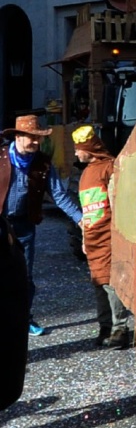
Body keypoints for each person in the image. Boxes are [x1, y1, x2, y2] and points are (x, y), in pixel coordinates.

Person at [0, 114, 83, 336]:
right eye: (31, 138)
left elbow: (59, 195)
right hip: (0, 224)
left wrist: (80, 218)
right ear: (17, 136)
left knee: (24, 276)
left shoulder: (43, 163)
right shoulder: (1, 158)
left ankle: (23, 319)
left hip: (25, 226)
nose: (36, 143)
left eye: (39, 138)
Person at [71, 125, 131, 349]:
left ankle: (120, 328)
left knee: (110, 282)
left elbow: (119, 201)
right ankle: (105, 325)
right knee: (98, 282)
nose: (76, 153)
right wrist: (85, 238)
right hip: (93, 239)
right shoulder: (86, 173)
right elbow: (87, 209)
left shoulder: (109, 168)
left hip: (108, 236)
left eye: (79, 149)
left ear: (89, 149)